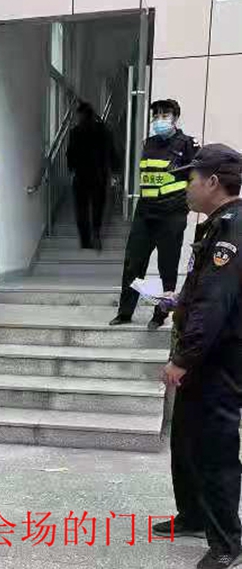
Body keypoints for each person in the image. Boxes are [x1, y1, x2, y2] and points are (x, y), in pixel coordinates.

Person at [153, 144, 242, 569]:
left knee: (215, 449)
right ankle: (192, 515)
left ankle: (227, 543)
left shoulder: (231, 231)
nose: (186, 187)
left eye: (191, 179)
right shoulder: (215, 226)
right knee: (186, 439)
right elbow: (203, 291)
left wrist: (182, 360)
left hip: (218, 361)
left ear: (212, 182)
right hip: (204, 356)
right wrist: (178, 300)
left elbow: (214, 304)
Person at [110, 99, 201, 329]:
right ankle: (124, 312)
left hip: (172, 214)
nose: (160, 119)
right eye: (156, 115)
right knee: (133, 263)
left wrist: (187, 205)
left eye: (165, 115)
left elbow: (196, 176)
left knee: (167, 267)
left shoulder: (187, 144)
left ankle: (160, 315)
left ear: (175, 118)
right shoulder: (148, 143)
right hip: (145, 212)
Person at [66, 101, 116, 250]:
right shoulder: (104, 131)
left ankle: (85, 240)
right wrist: (114, 170)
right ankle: (96, 232)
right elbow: (111, 152)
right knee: (98, 206)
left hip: (81, 175)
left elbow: (70, 153)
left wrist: (71, 168)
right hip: (99, 175)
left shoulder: (76, 132)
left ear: (81, 115)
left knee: (81, 209)